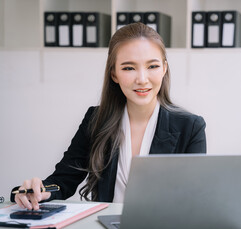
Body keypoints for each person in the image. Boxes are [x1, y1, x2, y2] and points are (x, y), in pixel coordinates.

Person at [11, 23, 206, 210]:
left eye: (152, 66)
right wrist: (38, 191)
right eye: (128, 68)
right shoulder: (96, 120)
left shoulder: (190, 127)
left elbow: (195, 198)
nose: (142, 79)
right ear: (114, 74)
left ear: (164, 68)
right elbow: (63, 180)